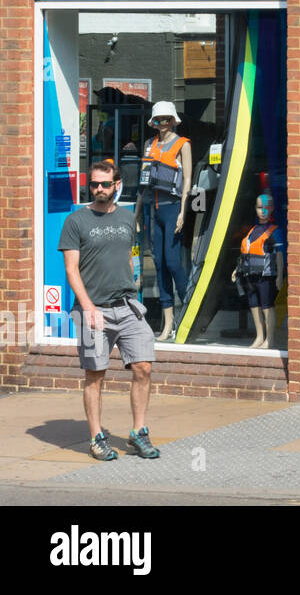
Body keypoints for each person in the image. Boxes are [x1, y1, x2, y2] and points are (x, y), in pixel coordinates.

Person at [59, 160, 160, 461]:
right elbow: (71, 270)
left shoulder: (129, 219)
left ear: (117, 184)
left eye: (104, 184)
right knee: (96, 374)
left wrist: (134, 288)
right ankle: (97, 438)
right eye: (94, 184)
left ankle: (138, 433)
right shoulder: (76, 221)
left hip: (127, 307)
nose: (99, 189)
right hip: (93, 311)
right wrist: (88, 307)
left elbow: (129, 258)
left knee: (144, 367)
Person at [135, 101, 192, 341]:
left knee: (173, 262)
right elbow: (144, 182)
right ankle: (167, 324)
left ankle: (188, 310)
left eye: (165, 120)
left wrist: (182, 212)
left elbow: (187, 180)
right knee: (158, 264)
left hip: (172, 209)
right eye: (157, 120)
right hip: (153, 209)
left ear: (173, 120)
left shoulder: (182, 145)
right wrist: (137, 214)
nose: (161, 124)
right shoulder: (149, 145)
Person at [231, 192, 285, 349]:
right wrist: (237, 269)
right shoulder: (252, 230)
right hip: (250, 275)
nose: (263, 211)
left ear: (272, 209)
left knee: (267, 306)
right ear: (255, 208)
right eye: (260, 207)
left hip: (266, 276)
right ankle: (259, 336)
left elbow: (279, 256)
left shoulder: (275, 231)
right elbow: (245, 252)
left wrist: (279, 276)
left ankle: (270, 339)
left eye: (266, 208)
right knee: (254, 305)